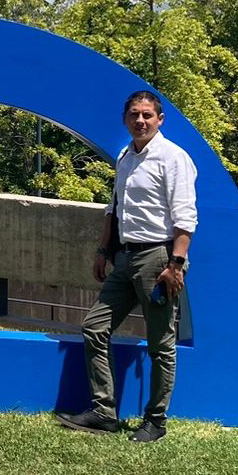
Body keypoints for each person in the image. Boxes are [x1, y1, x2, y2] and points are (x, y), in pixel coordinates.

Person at [57, 90, 197, 443]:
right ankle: (104, 412)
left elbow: (185, 217)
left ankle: (156, 420)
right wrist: (104, 249)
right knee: (94, 327)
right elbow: (115, 207)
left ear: (160, 119)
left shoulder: (173, 158)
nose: (140, 120)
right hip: (125, 257)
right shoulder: (125, 156)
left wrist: (176, 264)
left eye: (147, 115)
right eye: (134, 114)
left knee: (160, 344)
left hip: (159, 258)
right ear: (125, 118)